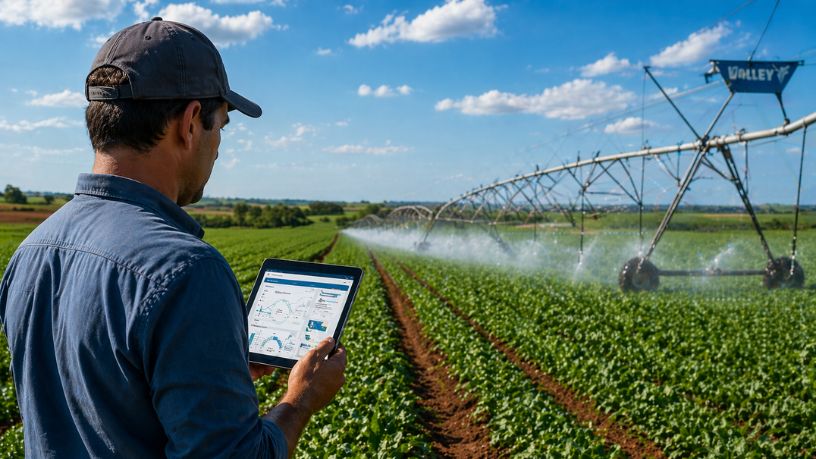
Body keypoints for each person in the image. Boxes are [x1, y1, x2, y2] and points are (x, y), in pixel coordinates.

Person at [0, 18, 346, 458]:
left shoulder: (32, 250)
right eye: (219, 125)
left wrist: (214, 369)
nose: (218, 145)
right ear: (189, 123)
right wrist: (301, 401)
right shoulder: (187, 271)